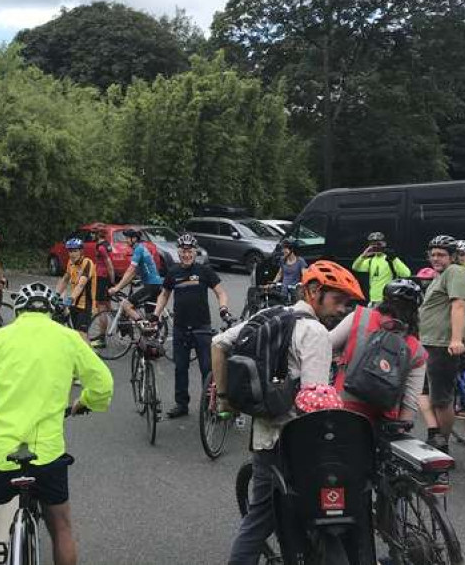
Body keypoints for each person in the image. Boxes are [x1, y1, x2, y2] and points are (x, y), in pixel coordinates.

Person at [0, 281, 114, 565]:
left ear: (19, 311)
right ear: (51, 311)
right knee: (61, 528)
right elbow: (103, 385)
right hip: (46, 454)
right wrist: (84, 402)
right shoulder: (68, 338)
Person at [212, 260, 363, 565]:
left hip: (265, 436)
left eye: (347, 304)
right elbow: (314, 405)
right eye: (338, 299)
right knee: (308, 518)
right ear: (313, 290)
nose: (343, 309)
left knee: (259, 518)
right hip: (296, 447)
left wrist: (225, 398)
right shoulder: (315, 333)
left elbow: (219, 343)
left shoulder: (269, 316)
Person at [153, 233, 229, 419]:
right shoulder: (173, 272)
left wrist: (224, 309)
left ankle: (210, 405)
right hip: (180, 328)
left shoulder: (204, 271)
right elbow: (164, 295)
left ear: (195, 252)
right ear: (179, 252)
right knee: (180, 368)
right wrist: (155, 315)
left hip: (201, 327)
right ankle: (181, 404)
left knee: (207, 369)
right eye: (183, 251)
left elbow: (221, 293)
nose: (186, 254)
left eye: (190, 251)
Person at [330, 279, 428, 423]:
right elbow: (411, 402)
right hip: (382, 420)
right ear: (415, 311)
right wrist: (402, 426)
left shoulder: (359, 317)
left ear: (384, 301)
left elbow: (326, 344)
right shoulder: (417, 349)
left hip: (342, 407)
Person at [418, 235, 465, 452]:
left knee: (441, 399)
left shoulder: (456, 272)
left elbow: (458, 305)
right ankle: (434, 433)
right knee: (420, 390)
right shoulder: (438, 276)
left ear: (452, 256)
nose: (435, 258)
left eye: (441, 254)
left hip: (443, 345)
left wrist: (456, 339)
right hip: (430, 343)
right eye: (432, 254)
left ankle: (442, 448)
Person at [108, 228, 163, 321]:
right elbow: (133, 274)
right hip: (155, 285)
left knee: (126, 305)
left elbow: (130, 270)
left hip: (151, 286)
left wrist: (117, 288)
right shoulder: (141, 248)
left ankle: (143, 326)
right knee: (150, 317)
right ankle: (152, 331)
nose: (125, 240)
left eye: (127, 238)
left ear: (134, 239)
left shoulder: (139, 250)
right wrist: (121, 286)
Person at [55, 238, 97, 342]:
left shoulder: (87, 263)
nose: (72, 254)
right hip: (74, 305)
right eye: (70, 251)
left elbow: (81, 284)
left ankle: (89, 356)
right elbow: (65, 279)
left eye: (75, 251)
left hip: (86, 305)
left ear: (81, 251)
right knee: (76, 335)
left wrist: (71, 298)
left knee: (82, 335)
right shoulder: (70, 263)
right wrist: (56, 295)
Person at [352, 231, 412, 304]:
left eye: (378, 244)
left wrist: (394, 259)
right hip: (372, 300)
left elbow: (407, 274)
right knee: (366, 315)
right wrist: (363, 255)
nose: (376, 246)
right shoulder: (371, 260)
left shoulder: (390, 259)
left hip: (387, 301)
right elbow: (355, 267)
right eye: (373, 244)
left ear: (384, 244)